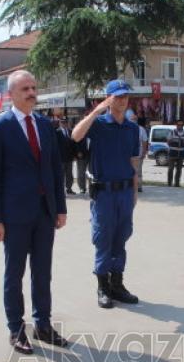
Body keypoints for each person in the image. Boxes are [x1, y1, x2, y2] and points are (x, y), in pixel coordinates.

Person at [0, 69, 68, 354]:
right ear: (11, 95)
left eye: (33, 87)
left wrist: (60, 207)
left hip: (44, 213)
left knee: (43, 273)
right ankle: (16, 329)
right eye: (25, 89)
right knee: (14, 274)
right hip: (14, 216)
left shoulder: (45, 125)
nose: (32, 93)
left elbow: (55, 168)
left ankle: (43, 325)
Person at [71, 79, 140, 309]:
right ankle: (102, 287)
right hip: (104, 193)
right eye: (117, 97)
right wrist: (97, 110)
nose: (122, 100)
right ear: (109, 99)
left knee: (121, 238)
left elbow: (133, 161)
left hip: (124, 192)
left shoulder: (132, 128)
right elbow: (76, 135)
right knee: (103, 239)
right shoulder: (99, 124)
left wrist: (135, 191)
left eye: (125, 96)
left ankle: (117, 285)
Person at [55, 117, 76, 195]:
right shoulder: (57, 132)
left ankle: (69, 188)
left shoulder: (70, 131)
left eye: (65, 122)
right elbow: (55, 146)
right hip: (61, 158)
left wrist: (74, 155)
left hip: (69, 157)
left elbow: (74, 144)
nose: (64, 124)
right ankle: (61, 190)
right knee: (61, 175)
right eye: (62, 122)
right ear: (60, 123)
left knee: (69, 174)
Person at [167, 119, 184, 187]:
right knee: (171, 168)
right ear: (176, 125)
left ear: (183, 125)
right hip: (172, 153)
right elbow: (168, 141)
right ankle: (169, 183)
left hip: (181, 153)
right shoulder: (172, 132)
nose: (180, 126)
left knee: (179, 169)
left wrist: (182, 145)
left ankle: (177, 183)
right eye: (178, 125)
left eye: (181, 125)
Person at [129, 112, 148, 192]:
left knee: (138, 171)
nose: (133, 121)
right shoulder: (127, 128)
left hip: (138, 155)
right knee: (129, 171)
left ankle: (139, 186)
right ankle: (130, 186)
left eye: (134, 119)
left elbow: (144, 142)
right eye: (132, 119)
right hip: (128, 155)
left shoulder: (141, 129)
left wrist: (144, 152)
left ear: (136, 120)